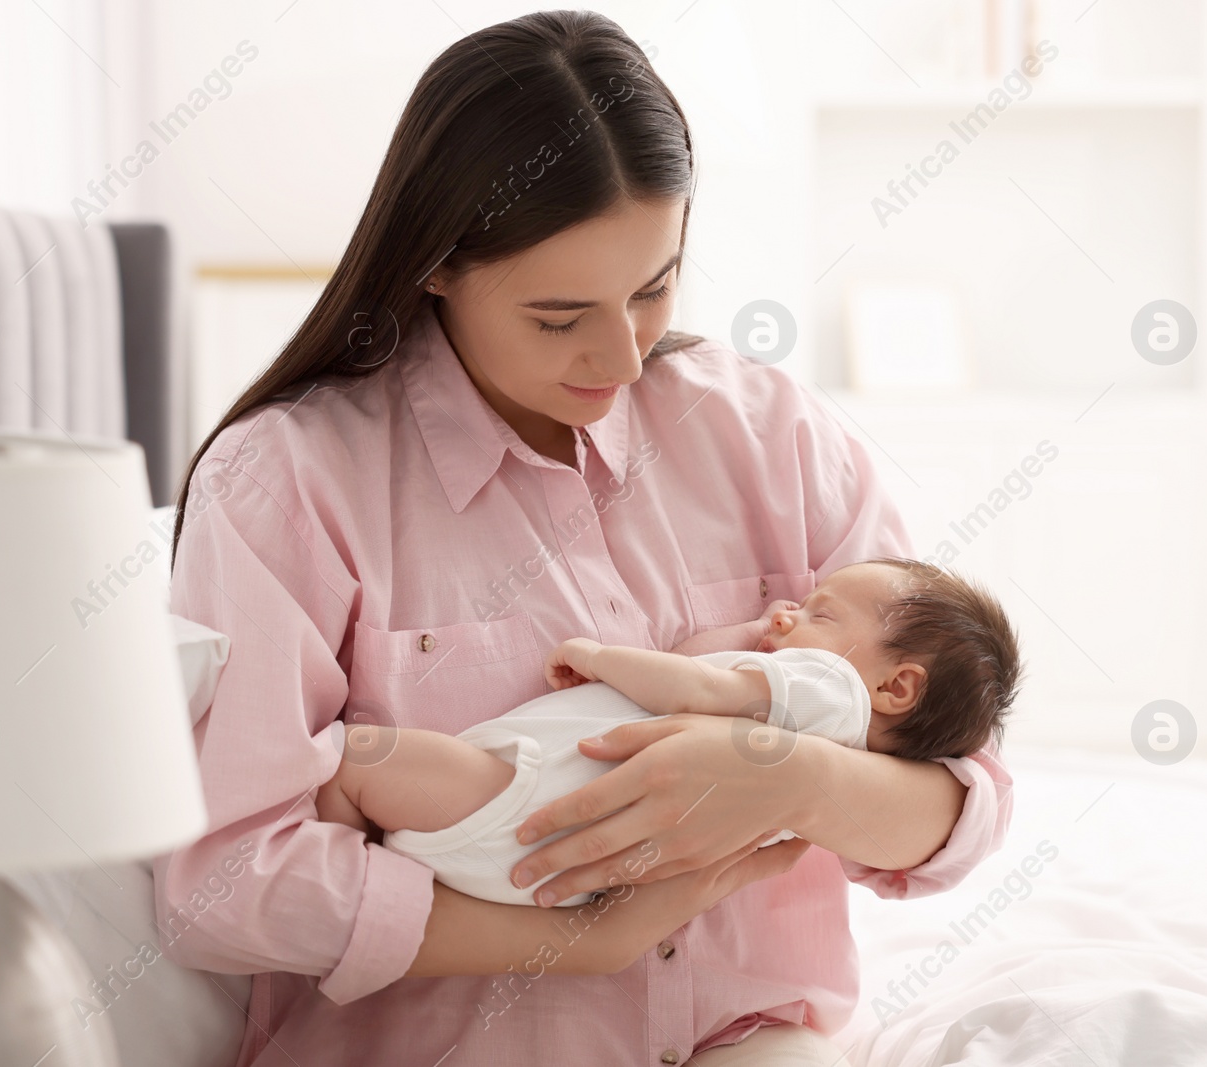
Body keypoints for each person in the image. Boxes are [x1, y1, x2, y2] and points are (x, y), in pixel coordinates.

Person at [156, 11, 1013, 1066]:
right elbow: (223, 877)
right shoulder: (288, 482)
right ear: (434, 263)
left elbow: (959, 798)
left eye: (652, 288)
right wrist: (570, 940)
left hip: (746, 1037)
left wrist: (793, 781)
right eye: (559, 315)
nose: (619, 355)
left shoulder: (772, 435)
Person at [315, 559, 1022, 909]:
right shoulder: (830, 735)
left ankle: (357, 867)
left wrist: (597, 656)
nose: (783, 614)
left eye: (821, 613)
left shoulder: (828, 688)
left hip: (521, 793)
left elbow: (697, 680)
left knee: (354, 757)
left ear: (896, 686)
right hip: (558, 871)